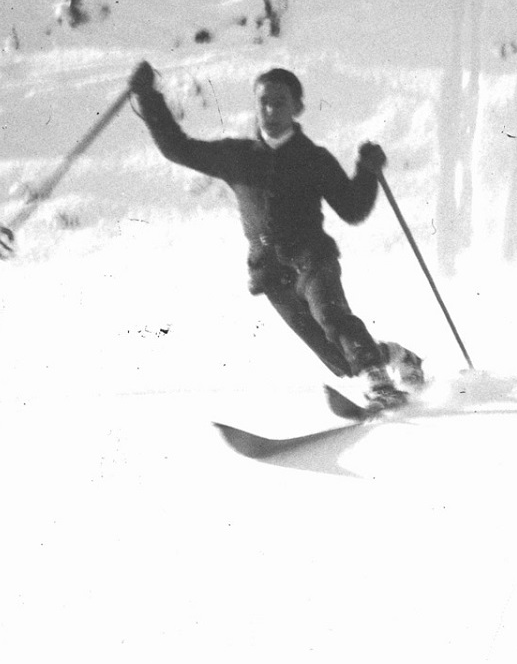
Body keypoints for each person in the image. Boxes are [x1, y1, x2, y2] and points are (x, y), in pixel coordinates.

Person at [128, 60, 421, 406]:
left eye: (279, 102)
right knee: (340, 361)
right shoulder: (237, 156)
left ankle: (380, 382)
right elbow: (178, 147)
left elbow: (352, 209)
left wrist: (367, 172)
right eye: (263, 101)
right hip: (270, 272)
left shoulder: (314, 158)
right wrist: (147, 96)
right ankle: (398, 357)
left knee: (332, 317)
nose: (270, 109)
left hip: (313, 258)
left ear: (297, 108)